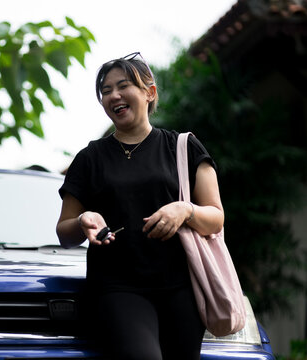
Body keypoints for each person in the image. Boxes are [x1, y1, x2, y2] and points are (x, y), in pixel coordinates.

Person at [56, 52, 224, 359]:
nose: (114, 95)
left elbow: (215, 217)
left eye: (123, 86)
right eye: (106, 91)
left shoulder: (183, 147)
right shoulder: (89, 158)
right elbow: (64, 232)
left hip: (182, 288)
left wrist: (185, 209)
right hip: (117, 289)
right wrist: (83, 221)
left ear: (150, 92)